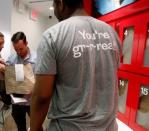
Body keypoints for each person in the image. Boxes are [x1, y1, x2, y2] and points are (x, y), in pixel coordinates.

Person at [30, 0, 121, 131]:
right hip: (108, 126)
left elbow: (42, 96)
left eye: (54, 5)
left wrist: (34, 128)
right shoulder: (111, 33)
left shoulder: (53, 35)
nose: (54, 11)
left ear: (61, 3)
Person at [6, 32, 36, 131]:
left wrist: (32, 92)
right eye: (16, 49)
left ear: (26, 43)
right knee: (20, 126)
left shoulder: (37, 58)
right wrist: (1, 70)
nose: (18, 52)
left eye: (21, 49)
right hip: (17, 100)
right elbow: (6, 78)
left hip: (32, 99)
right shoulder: (11, 59)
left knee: (37, 125)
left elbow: (41, 80)